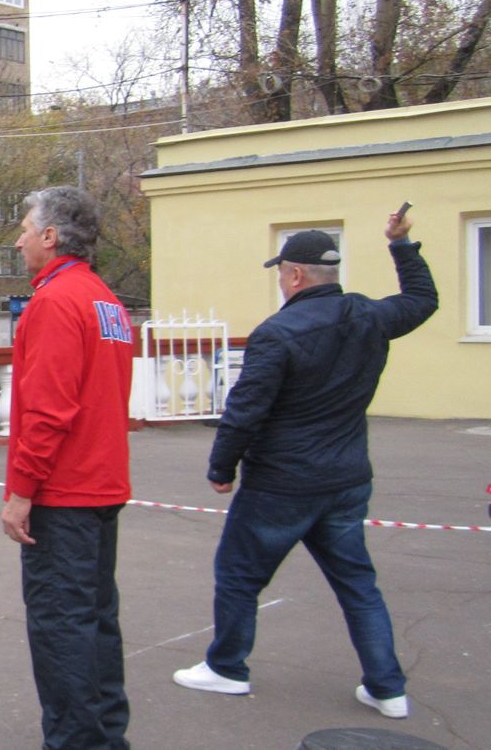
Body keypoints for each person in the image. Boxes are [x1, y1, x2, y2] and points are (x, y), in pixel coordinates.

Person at [173, 212, 437, 719]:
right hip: (346, 480)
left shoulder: (276, 333)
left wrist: (220, 467)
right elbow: (424, 301)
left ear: (294, 276)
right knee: (358, 585)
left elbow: (246, 409)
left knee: (238, 575)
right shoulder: (369, 316)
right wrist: (401, 247)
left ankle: (226, 668)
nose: (280, 281)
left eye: (280, 273)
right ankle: (387, 688)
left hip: (282, 485)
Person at [1, 185, 135, 750]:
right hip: (101, 485)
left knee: (62, 628)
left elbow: (50, 410)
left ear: (51, 237)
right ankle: (106, 735)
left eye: (27, 229)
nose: (20, 239)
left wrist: (21, 491)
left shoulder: (56, 302)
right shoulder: (104, 299)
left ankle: (78, 740)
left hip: (65, 493)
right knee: (97, 621)